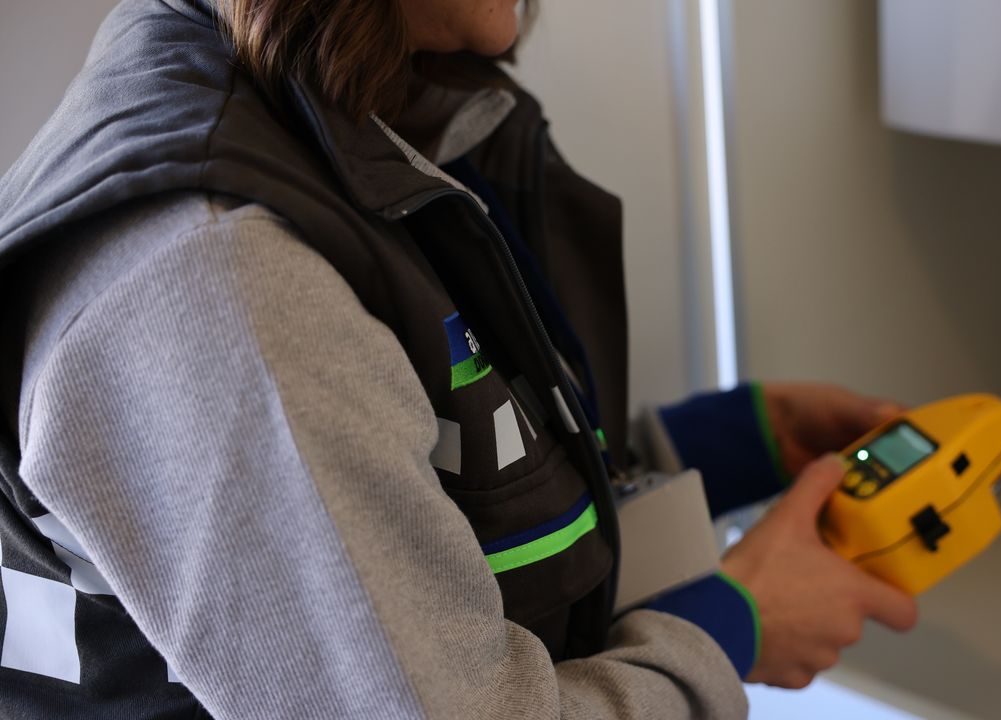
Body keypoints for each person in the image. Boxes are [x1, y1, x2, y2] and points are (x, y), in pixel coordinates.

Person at [0, 0, 917, 717]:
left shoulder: (369, 112)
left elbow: (405, 490)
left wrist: (695, 451)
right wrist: (729, 631)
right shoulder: (220, 279)